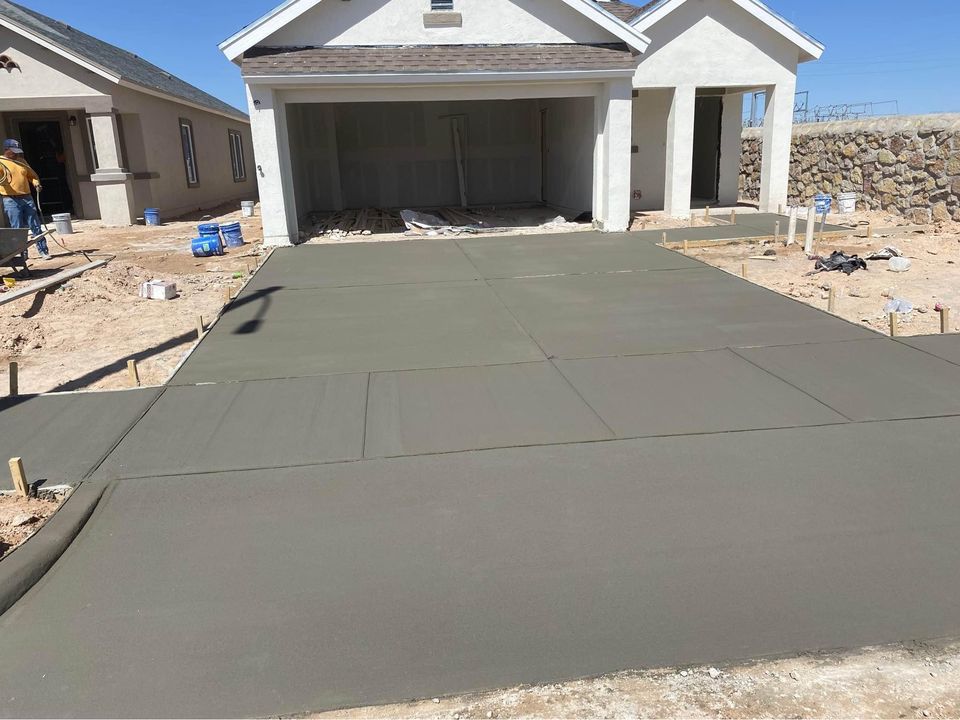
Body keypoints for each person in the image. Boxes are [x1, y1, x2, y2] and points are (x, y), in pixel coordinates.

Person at [0, 139, 49, 259]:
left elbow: (32, 176)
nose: (16, 154)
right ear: (6, 150)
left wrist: (36, 183)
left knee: (35, 224)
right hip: (10, 199)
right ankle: (22, 254)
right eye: (13, 151)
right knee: (18, 228)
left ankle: (43, 250)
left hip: (26, 197)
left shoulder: (22, 161)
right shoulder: (1, 162)